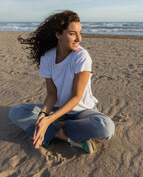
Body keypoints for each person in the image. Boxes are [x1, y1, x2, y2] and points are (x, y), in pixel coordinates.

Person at [9, 10, 115, 154]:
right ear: (58, 34)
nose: (79, 38)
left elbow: (76, 97)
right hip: (58, 109)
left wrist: (49, 120)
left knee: (106, 127)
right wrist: (43, 115)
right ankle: (66, 137)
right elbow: (52, 94)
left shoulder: (82, 56)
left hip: (83, 111)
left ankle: (55, 128)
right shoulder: (47, 57)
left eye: (80, 33)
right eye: (72, 33)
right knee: (17, 111)